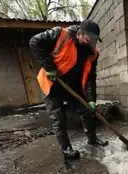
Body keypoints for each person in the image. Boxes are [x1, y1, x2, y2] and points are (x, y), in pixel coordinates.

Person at [29, 19, 108, 160]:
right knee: (58, 117)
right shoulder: (60, 34)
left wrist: (91, 100)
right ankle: (66, 149)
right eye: (88, 40)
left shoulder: (93, 53)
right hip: (51, 83)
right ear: (79, 34)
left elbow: (90, 78)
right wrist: (50, 68)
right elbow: (35, 42)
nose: (91, 44)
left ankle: (93, 140)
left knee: (86, 111)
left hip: (72, 87)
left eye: (94, 41)